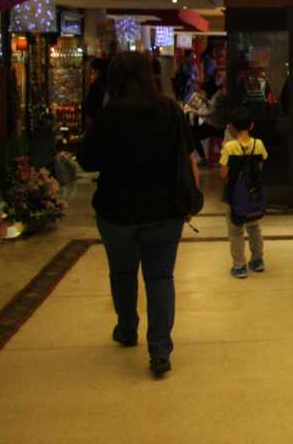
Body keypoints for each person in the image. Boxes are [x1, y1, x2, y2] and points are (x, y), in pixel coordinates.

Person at [77, 51, 197, 379]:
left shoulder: (109, 116)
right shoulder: (169, 111)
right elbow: (187, 157)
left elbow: (87, 160)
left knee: (122, 273)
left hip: (117, 210)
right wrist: (190, 199)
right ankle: (160, 349)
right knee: (160, 278)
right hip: (165, 209)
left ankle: (127, 328)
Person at [220, 108, 268, 278]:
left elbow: (223, 173)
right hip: (253, 193)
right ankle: (257, 260)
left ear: (232, 127)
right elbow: (261, 165)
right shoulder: (258, 144)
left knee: (235, 230)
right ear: (252, 125)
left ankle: (239, 266)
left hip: (234, 194)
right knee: (254, 227)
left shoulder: (229, 147)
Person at [82, 58, 108, 131]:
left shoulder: (96, 86)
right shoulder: (108, 85)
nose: (91, 75)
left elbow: (90, 110)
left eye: (92, 72)